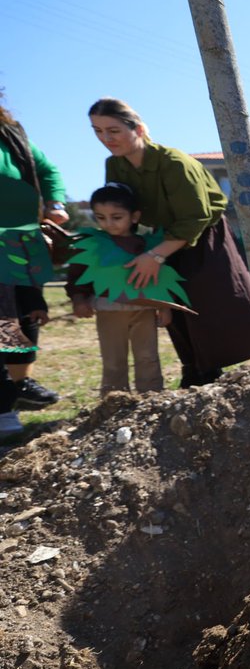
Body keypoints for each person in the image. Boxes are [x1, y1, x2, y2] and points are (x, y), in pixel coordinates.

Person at [88, 98, 250, 387]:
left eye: (113, 130)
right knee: (172, 302)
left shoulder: (174, 163)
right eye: (97, 131)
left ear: (139, 129)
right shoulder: (114, 166)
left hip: (203, 234)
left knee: (207, 302)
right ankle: (193, 369)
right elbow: (120, 206)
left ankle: (213, 372)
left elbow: (195, 216)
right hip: (161, 236)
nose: (106, 139)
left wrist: (155, 257)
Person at [66, 184, 169, 395]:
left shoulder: (149, 247)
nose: (109, 224)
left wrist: (165, 307)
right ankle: (114, 402)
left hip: (144, 309)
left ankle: (152, 400)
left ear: (134, 216)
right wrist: (79, 299)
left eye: (116, 217)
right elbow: (77, 275)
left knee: (148, 356)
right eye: (101, 218)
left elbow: (160, 278)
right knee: (113, 358)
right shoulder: (92, 245)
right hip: (108, 310)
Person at [0, 89, 62, 436]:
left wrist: (55, 202)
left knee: (24, 318)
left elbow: (46, 168)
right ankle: (3, 409)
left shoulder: (12, 135)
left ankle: (17, 387)